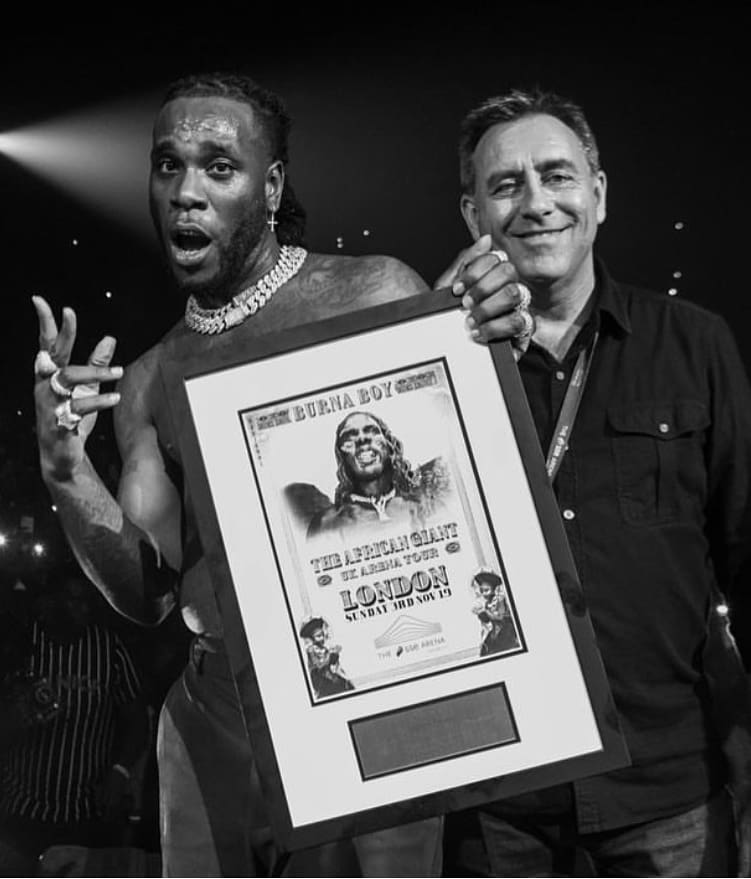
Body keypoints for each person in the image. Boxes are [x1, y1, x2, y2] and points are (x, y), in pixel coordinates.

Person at [31, 72, 442, 877]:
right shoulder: (147, 379)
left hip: (373, 696)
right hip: (214, 715)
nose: (186, 191)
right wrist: (65, 470)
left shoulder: (371, 294)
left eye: (219, 167)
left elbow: (445, 495)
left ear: (272, 186)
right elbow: (148, 594)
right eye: (168, 165)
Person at [435, 87, 751, 877]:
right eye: (505, 185)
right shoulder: (433, 371)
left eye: (557, 176)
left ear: (598, 195)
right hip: (496, 795)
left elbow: (745, 556)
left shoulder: (694, 345)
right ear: (473, 215)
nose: (536, 202)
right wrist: (427, 341)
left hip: (666, 784)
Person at [0, 568, 147, 876]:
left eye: (88, 600)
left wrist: (120, 771)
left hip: (83, 813)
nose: (84, 608)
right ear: (51, 601)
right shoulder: (22, 644)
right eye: (73, 599)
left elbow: (136, 718)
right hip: (20, 810)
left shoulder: (109, 650)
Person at [291, 410, 451, 539]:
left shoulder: (426, 508)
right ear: (342, 457)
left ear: (389, 447)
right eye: (349, 437)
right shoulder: (325, 524)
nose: (362, 439)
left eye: (372, 431)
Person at [299, 616, 354, 699]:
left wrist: (335, 655)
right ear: (312, 638)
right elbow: (319, 665)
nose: (322, 638)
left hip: (332, 679)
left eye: (322, 635)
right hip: (323, 683)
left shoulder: (325, 648)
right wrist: (331, 656)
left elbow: (333, 665)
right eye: (318, 636)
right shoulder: (311, 651)